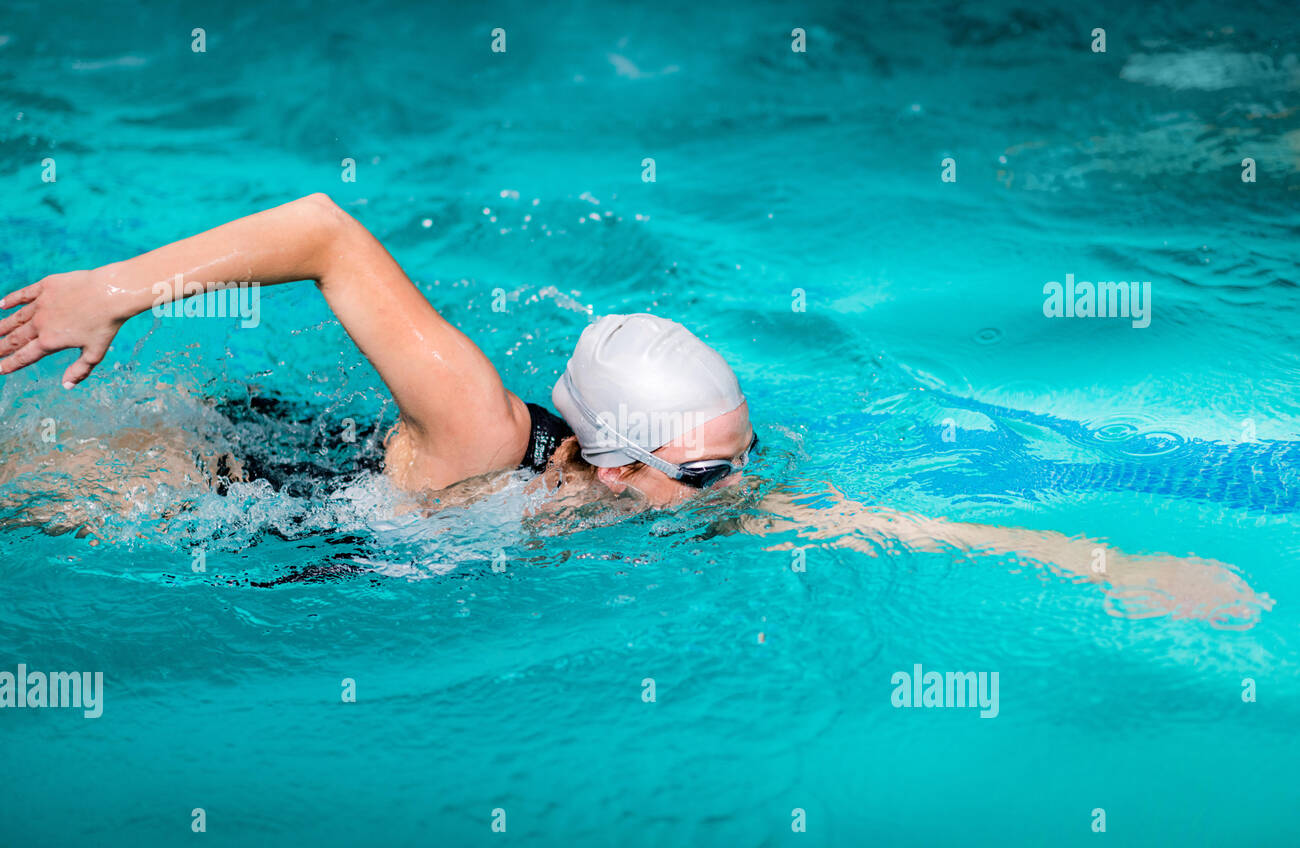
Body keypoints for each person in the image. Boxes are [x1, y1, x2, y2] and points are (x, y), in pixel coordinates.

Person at [0, 195, 1271, 621]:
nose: (747, 489)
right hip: (211, 484)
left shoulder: (681, 495)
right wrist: (116, 289)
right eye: (713, 473)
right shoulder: (483, 434)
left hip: (335, 527)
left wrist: (1112, 559)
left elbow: (868, 526)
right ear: (613, 467)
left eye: (746, 455)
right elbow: (326, 233)